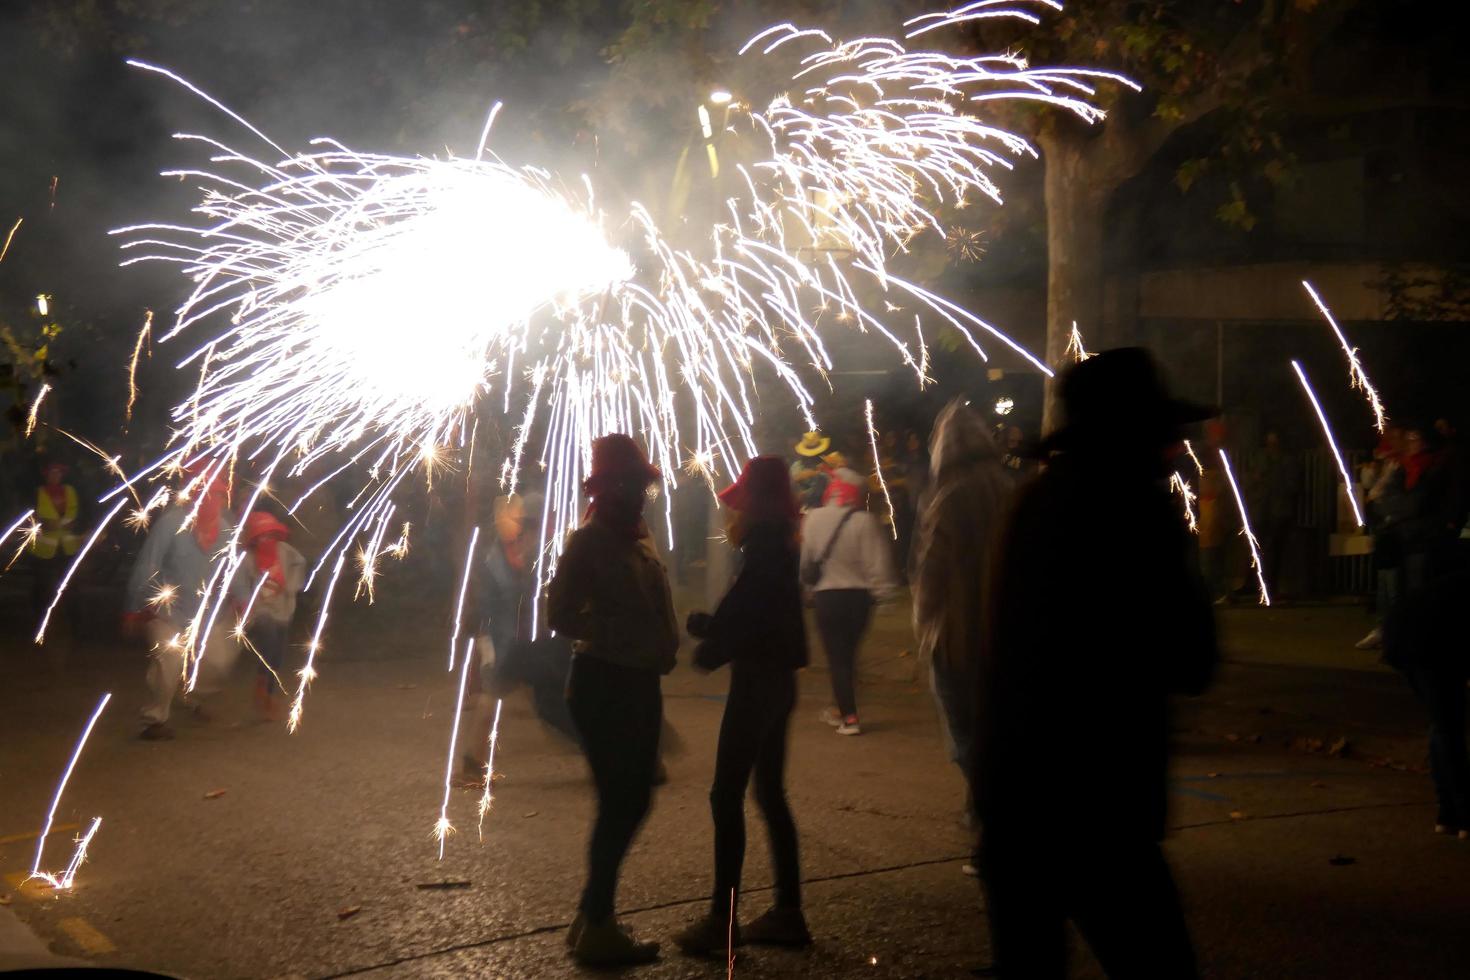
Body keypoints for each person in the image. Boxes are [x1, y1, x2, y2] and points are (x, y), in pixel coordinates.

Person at [977, 348, 1217, 978]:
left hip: (1014, 795)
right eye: (1162, 434)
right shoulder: (1137, 514)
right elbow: (1193, 659)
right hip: (1100, 803)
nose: (1171, 448)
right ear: (1133, 434)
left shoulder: (1032, 505)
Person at [547, 434, 678, 966]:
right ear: (606, 488)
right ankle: (597, 921)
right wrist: (618, 632)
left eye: (642, 484)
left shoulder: (635, 539)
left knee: (628, 799)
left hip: (638, 681)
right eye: (629, 483)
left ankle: (592, 915)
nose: (640, 493)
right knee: (624, 801)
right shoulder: (590, 542)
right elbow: (560, 615)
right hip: (607, 683)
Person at [674, 456, 812, 955]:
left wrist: (709, 648)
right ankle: (788, 913)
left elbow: (749, 616)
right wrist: (712, 627)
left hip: (757, 685)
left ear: (753, 506)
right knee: (770, 794)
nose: (731, 515)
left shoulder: (765, 549)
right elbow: (758, 616)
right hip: (778, 682)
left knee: (725, 795)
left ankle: (721, 922)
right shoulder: (779, 545)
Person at [910, 400, 1013, 875]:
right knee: (997, 732)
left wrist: (922, 623)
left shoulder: (949, 495)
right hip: (1006, 636)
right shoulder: (1008, 488)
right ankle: (992, 823)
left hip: (956, 638)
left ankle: (996, 829)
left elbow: (933, 571)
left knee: (966, 739)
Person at [124, 464, 250, 740]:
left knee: (217, 662)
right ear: (193, 496)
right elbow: (147, 565)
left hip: (208, 614)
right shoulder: (171, 524)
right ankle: (153, 719)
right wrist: (134, 607)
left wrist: (242, 599)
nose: (211, 501)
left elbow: (235, 569)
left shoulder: (226, 531)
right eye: (206, 494)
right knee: (168, 662)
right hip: (168, 612)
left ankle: (192, 695)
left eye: (217, 495)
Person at [801, 472, 898, 736]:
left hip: (827, 598)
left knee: (837, 658)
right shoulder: (865, 521)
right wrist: (885, 594)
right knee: (848, 656)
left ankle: (849, 717)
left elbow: (806, 562)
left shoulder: (813, 518)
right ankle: (839, 709)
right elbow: (877, 562)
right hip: (859, 599)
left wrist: (808, 589)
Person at [240, 511, 305, 722]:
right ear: (253, 539)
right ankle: (263, 684)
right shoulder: (249, 559)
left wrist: (290, 587)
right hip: (262, 610)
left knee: (277, 654)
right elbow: (241, 583)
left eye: (269, 535)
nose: (265, 540)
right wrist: (248, 600)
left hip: (284, 609)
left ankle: (267, 689)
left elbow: (300, 563)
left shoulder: (285, 551)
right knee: (267, 640)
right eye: (260, 536)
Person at [1244, 431, 1300, 598]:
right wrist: (1255, 480)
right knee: (1255, 547)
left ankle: (1270, 586)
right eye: (1269, 442)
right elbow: (1248, 478)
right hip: (1260, 509)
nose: (1271, 446)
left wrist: (1274, 482)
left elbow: (1293, 486)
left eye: (1274, 442)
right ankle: (1252, 585)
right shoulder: (1260, 457)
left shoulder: (1288, 460)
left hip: (1278, 510)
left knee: (1274, 550)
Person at [30, 460, 81, 622]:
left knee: (69, 585)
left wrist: (77, 524)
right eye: (52, 472)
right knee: (42, 585)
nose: (55, 476)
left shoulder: (71, 491)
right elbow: (28, 517)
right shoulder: (37, 493)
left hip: (67, 547)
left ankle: (69, 616)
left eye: (58, 472)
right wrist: (43, 523)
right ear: (46, 475)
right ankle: (40, 616)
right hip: (44, 549)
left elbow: (80, 513)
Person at [791, 431, 831, 510]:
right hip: (805, 508)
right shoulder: (797, 466)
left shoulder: (828, 463)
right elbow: (791, 484)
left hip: (825, 506)